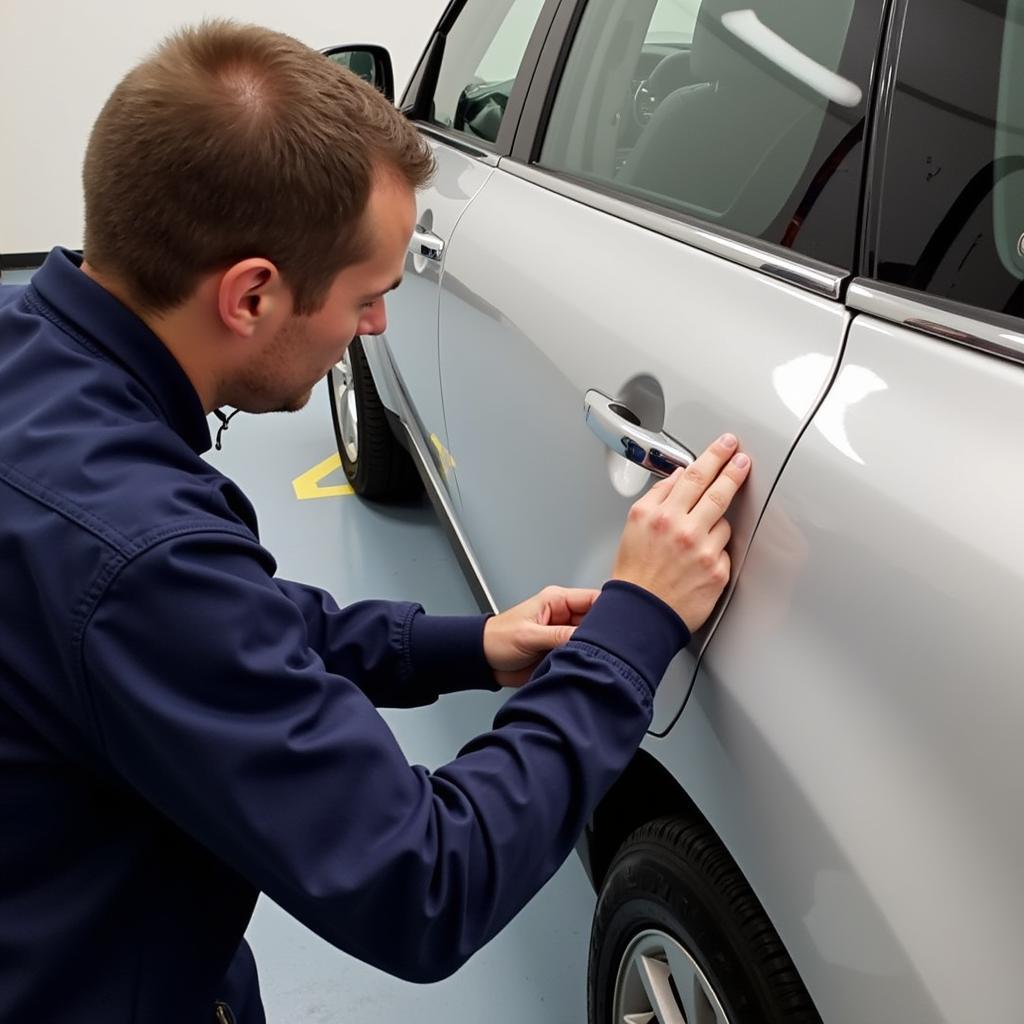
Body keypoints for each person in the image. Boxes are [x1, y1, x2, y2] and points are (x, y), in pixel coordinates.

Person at [0, 20, 751, 1023]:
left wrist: (465, 646)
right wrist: (634, 627)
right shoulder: (140, 550)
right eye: (368, 296)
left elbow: (217, 627)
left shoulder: (36, 366)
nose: (379, 328)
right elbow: (425, 883)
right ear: (253, 294)